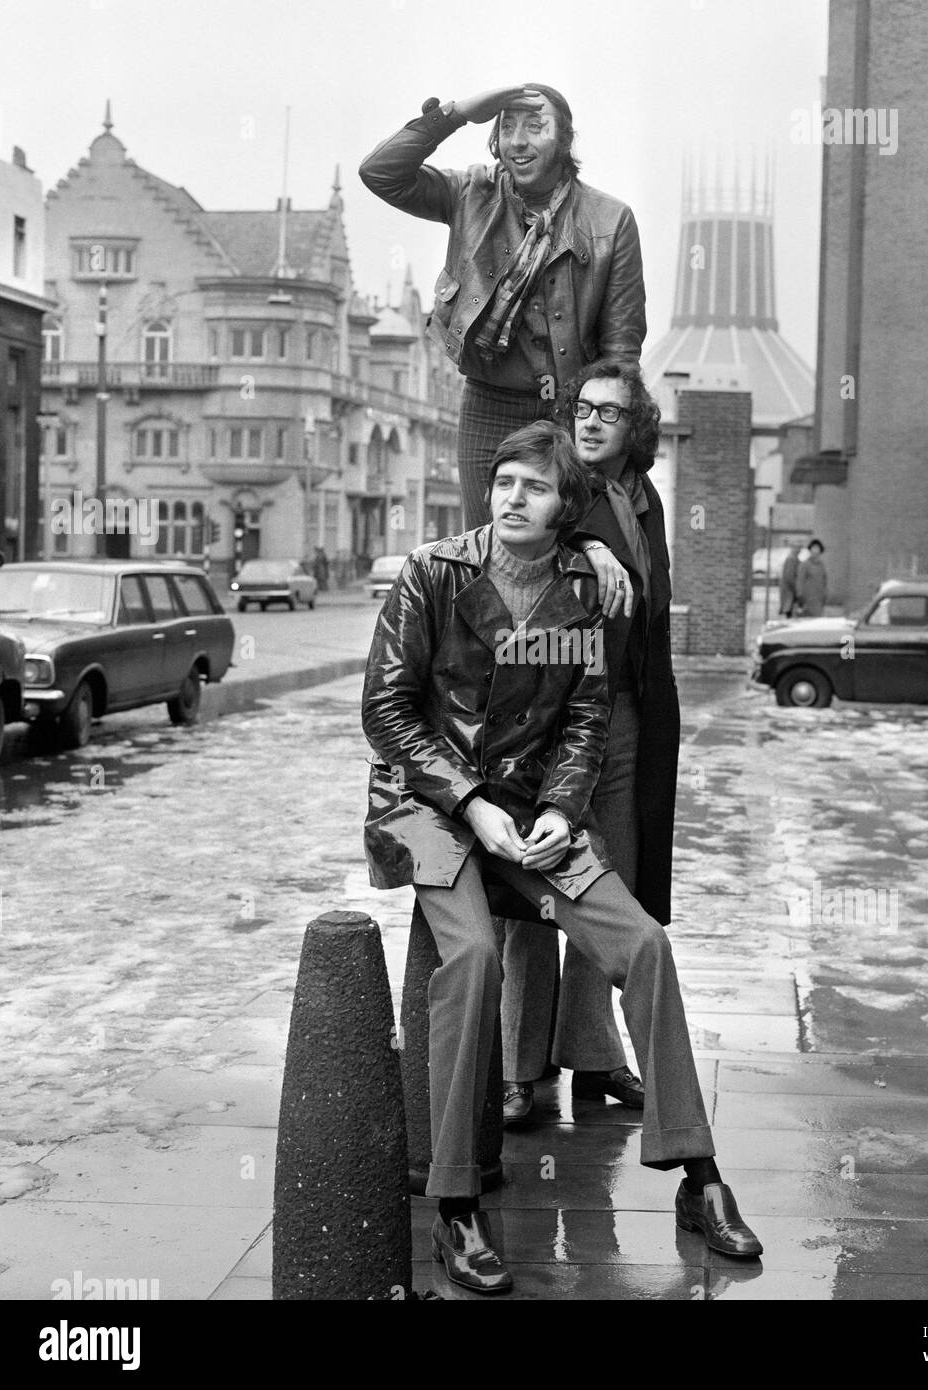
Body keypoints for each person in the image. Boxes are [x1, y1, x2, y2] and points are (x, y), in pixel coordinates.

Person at [361, 420, 763, 1295]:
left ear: (563, 507)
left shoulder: (582, 586)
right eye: (503, 480)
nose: (511, 497)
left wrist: (556, 809)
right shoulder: (433, 573)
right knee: (470, 959)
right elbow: (387, 714)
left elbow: (584, 720)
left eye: (533, 487)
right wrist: (466, 802)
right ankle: (457, 1208)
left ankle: (698, 1176)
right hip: (431, 808)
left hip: (530, 815)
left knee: (643, 945)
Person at [501, 362, 676, 1126]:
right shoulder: (558, 488)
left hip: (630, 714)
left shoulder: (644, 499)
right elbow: (522, 547)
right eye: (584, 407)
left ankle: (593, 1054)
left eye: (612, 411)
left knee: (612, 884)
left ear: (637, 427)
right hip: (555, 715)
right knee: (540, 885)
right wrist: (586, 550)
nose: (593, 420)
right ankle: (515, 1067)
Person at [358, 83, 646, 546]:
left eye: (535, 126)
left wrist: (606, 438)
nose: (518, 140)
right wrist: (454, 113)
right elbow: (380, 173)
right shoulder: (470, 192)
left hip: (568, 414)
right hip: (487, 407)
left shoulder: (610, 221)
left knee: (568, 551)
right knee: (487, 552)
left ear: (564, 140)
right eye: (507, 126)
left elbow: (621, 354)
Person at [796, 538, 828, 617]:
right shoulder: (805, 565)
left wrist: (825, 595)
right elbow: (800, 581)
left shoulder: (822, 566)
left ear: (820, 551)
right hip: (807, 601)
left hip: (819, 600)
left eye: (817, 549)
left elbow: (824, 581)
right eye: (813, 548)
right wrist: (800, 598)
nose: (815, 551)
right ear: (810, 550)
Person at [778, 545, 801, 618]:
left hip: (790, 590)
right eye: (796, 548)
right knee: (790, 611)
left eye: (799, 548)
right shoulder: (791, 559)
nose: (797, 550)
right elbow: (789, 577)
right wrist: (796, 588)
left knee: (791, 611)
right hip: (790, 591)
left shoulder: (795, 559)